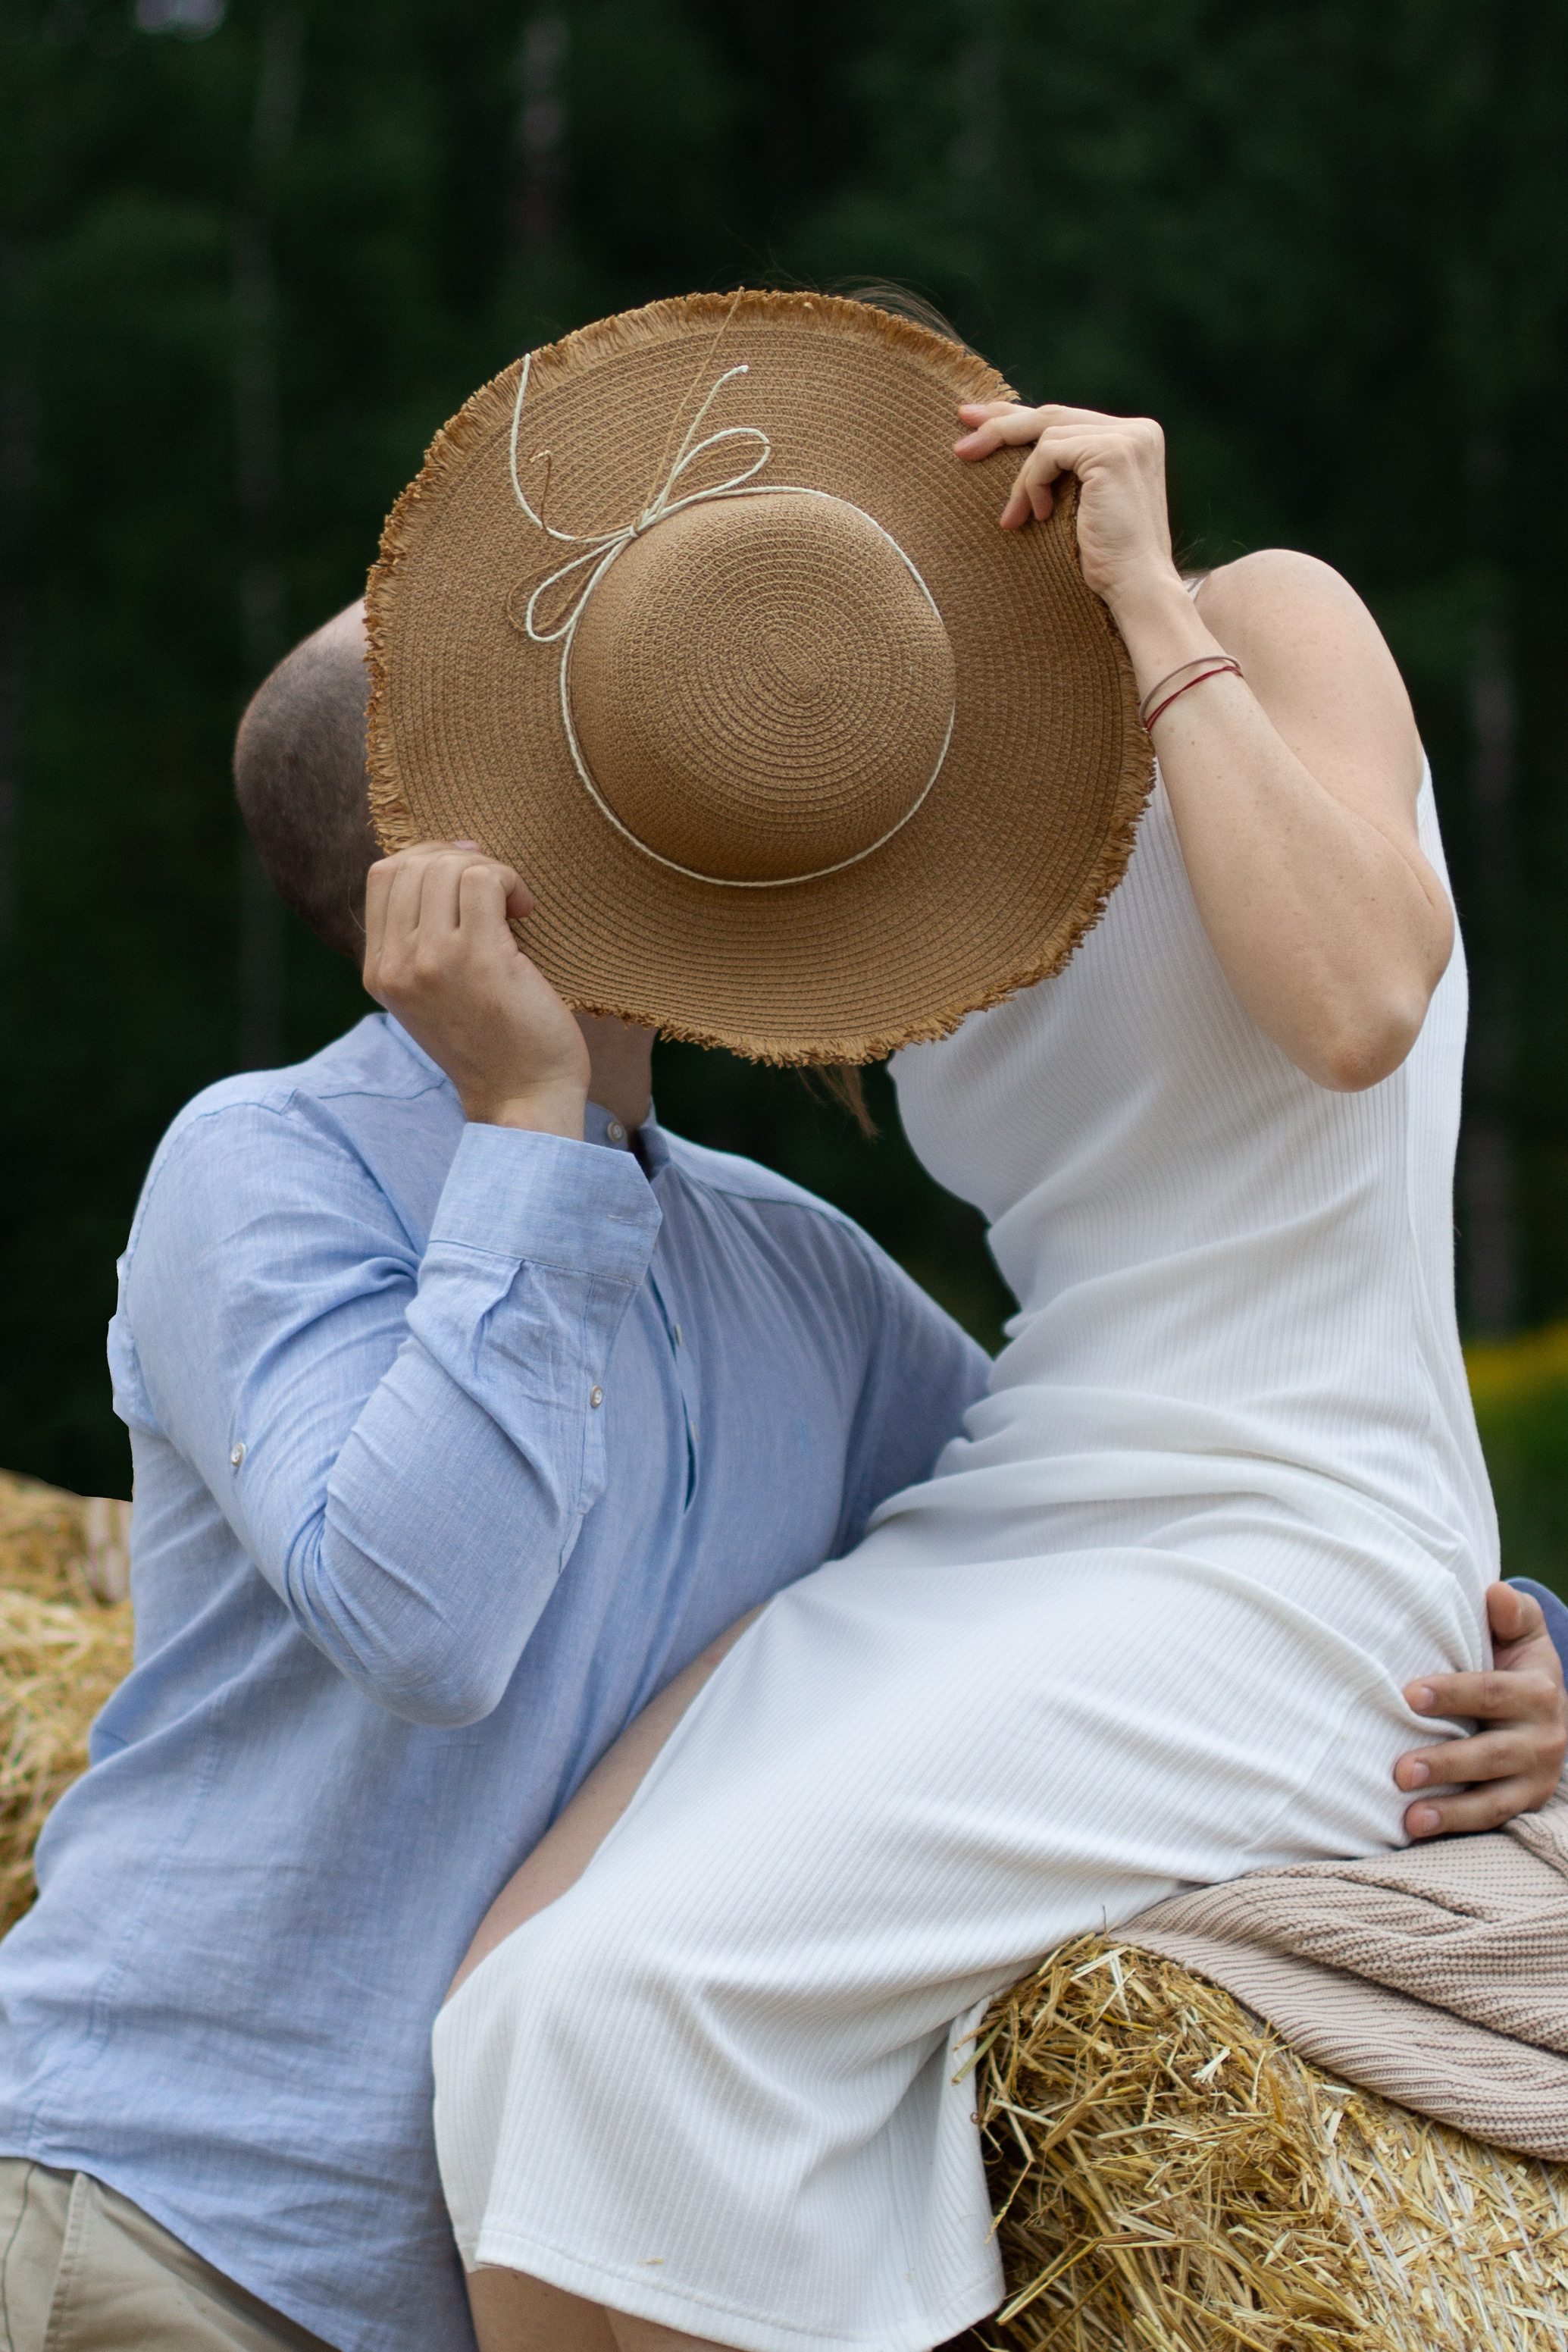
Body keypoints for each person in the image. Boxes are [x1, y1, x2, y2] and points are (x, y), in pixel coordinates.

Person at [429, 386, 1568, 2352]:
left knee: (636, 2001)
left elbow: (1357, 1006)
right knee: (505, 2008)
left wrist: (1149, 607)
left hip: (1278, 1533)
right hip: (1022, 1500)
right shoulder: (876, 849)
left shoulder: (1264, 614)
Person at [0, 600, 987, 2352]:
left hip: (469, 2298)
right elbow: (427, 1622)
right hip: (158, 2234)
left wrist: (1487, 1637)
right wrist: (529, 1111)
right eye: (594, 710)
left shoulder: (800, 1269)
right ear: (472, 864)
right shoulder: (261, 1164)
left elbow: (1102, 1518)